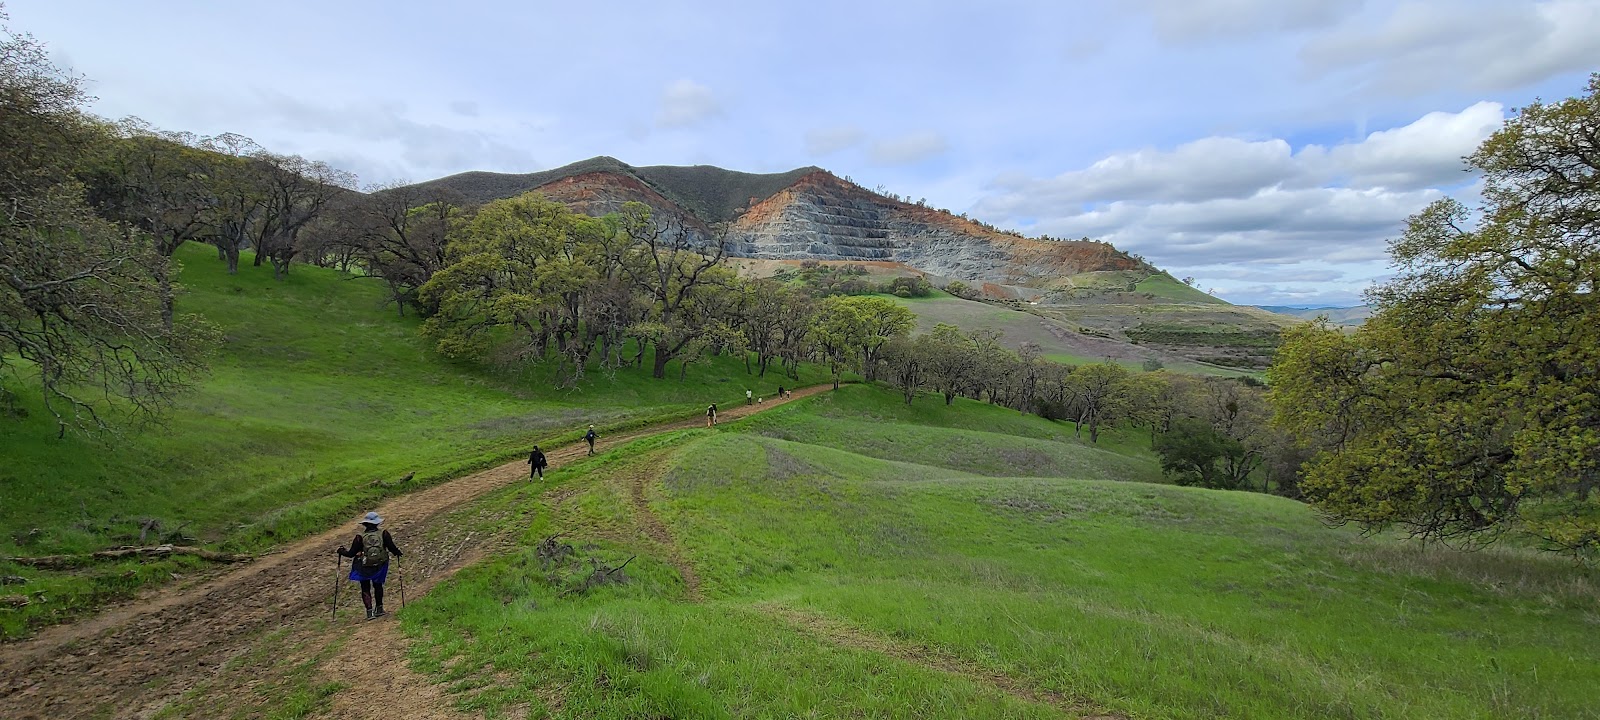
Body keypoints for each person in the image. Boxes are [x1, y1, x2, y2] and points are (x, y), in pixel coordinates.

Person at [337, 511, 403, 620]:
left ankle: (369, 612)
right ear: (377, 523)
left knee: (365, 587)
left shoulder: (359, 537)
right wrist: (398, 553)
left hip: (364, 566)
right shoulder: (384, 534)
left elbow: (351, 554)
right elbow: (392, 548)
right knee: (378, 585)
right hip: (380, 565)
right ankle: (380, 609)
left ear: (365, 524)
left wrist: (341, 551)